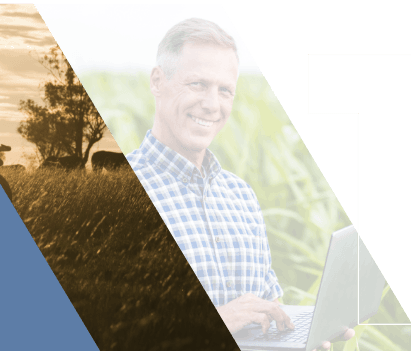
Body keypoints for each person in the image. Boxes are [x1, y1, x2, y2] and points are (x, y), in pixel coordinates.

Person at [126, 18, 355, 350]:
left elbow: (267, 305)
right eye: (197, 84)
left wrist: (298, 336)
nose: (212, 104)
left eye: (224, 90)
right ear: (158, 81)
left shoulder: (241, 196)